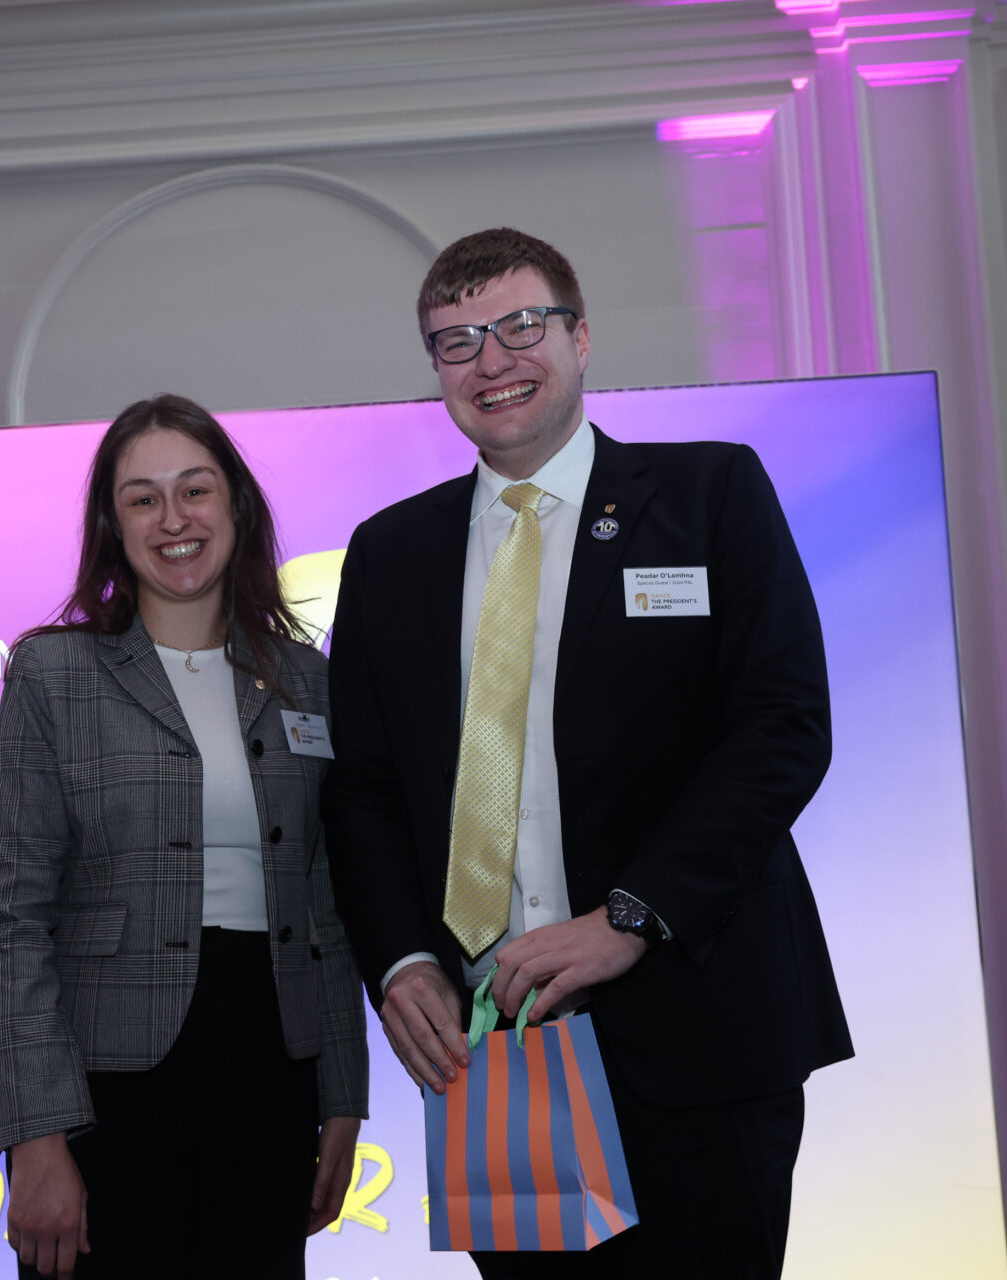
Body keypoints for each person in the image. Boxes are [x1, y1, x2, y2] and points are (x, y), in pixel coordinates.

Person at [323, 229, 852, 1278]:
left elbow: (782, 726)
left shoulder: (710, 493)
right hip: (494, 1044)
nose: (492, 360)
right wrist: (402, 961)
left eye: (521, 326)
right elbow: (364, 789)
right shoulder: (389, 552)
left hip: (699, 1021)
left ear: (581, 336)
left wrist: (631, 917)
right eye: (458, 341)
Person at [0, 394, 370, 1280]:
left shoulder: (306, 680)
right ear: (113, 526)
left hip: (271, 1073)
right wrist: (35, 1134)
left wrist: (343, 1095)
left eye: (195, 490)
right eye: (143, 499)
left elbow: (327, 905)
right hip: (103, 1090)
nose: (174, 519)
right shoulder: (54, 674)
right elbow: (12, 922)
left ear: (236, 505)